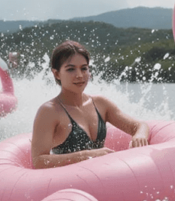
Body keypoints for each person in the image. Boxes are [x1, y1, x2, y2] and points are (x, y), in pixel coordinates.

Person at [31, 41, 150, 169]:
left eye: (84, 68)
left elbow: (139, 126)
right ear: (57, 74)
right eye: (71, 69)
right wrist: (88, 155)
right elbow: (38, 161)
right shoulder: (50, 111)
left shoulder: (100, 104)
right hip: (69, 183)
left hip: (102, 178)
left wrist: (140, 135)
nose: (80, 75)